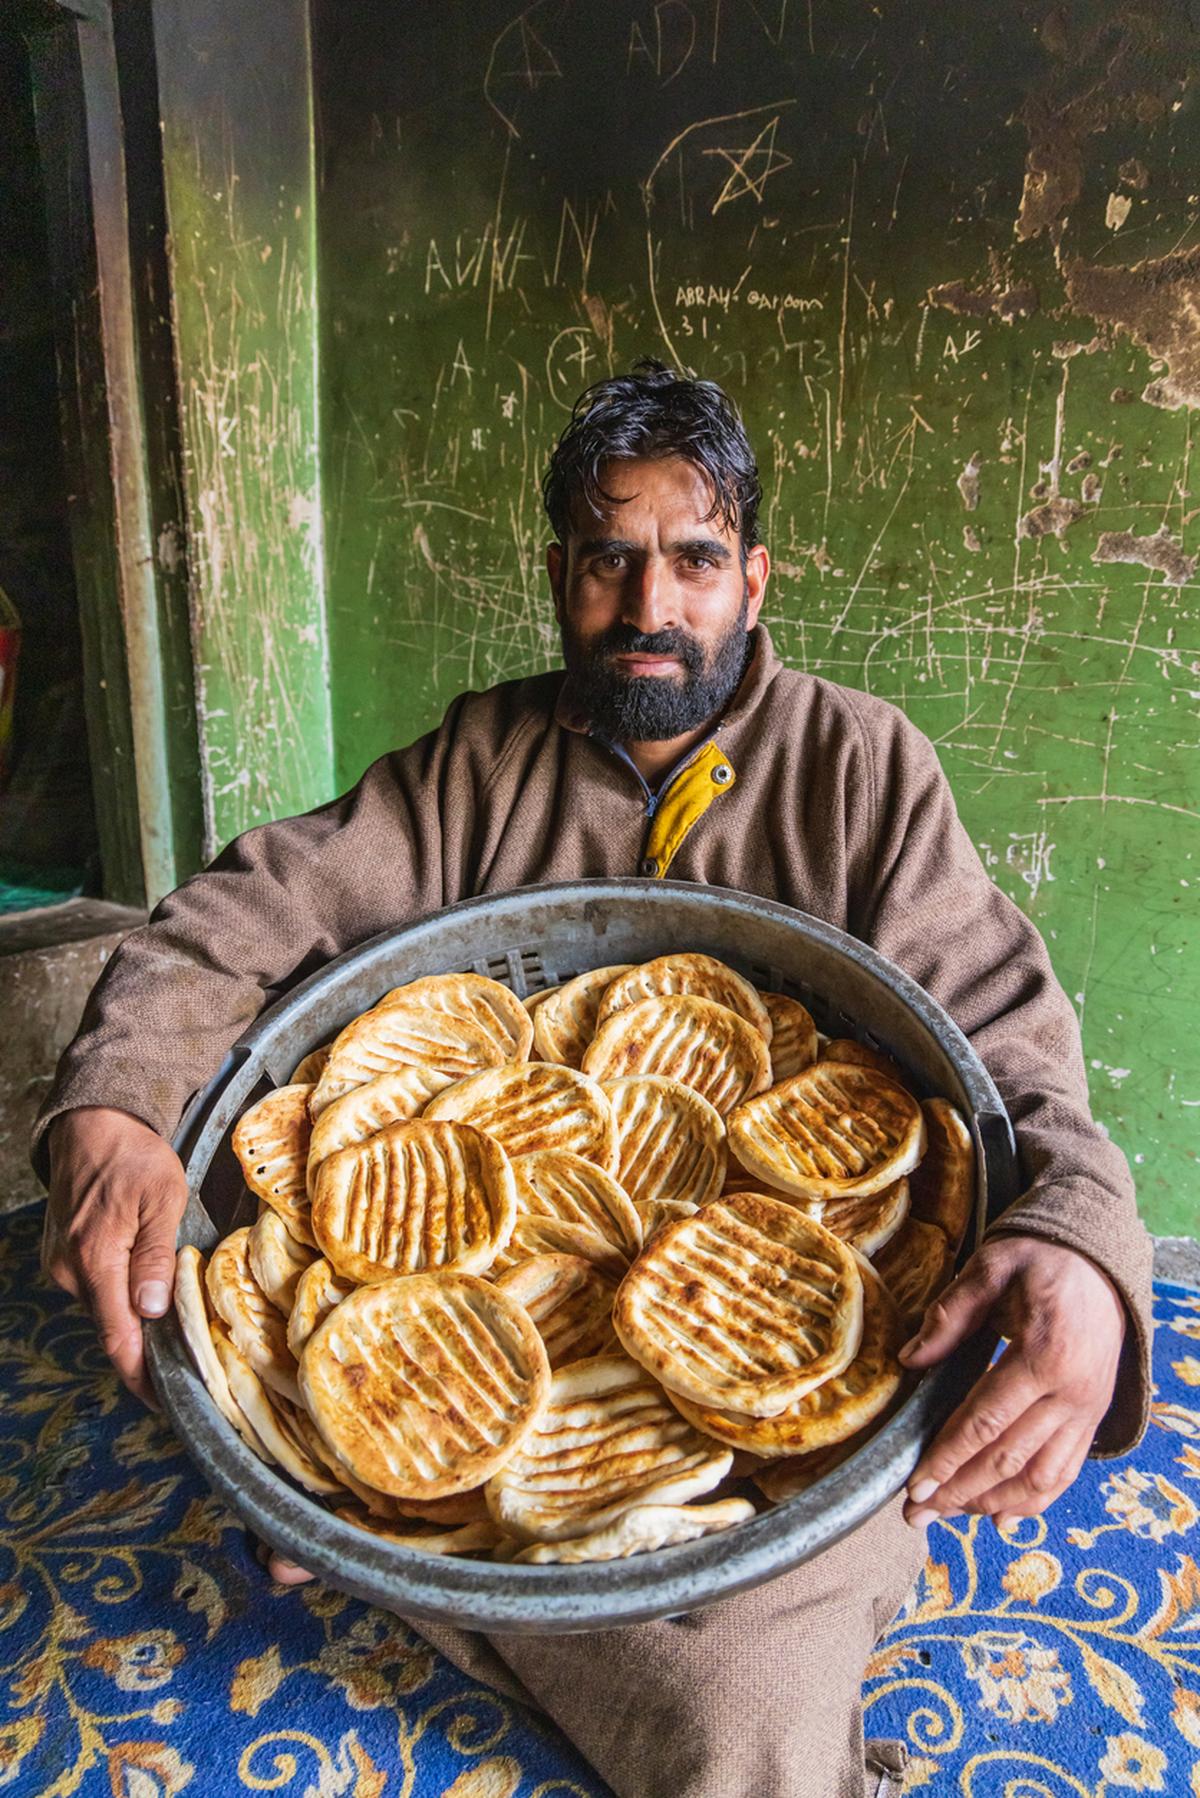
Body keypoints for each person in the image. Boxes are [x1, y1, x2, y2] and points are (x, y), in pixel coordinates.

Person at [37, 360, 1150, 1798]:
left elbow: (1013, 1038)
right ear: (558, 573)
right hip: (493, 1316)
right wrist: (114, 1104)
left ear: (754, 575)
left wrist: (1080, 1244)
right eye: (608, 561)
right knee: (311, 1439)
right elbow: (241, 914)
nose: (649, 606)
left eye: (692, 559)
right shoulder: (477, 762)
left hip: (797, 1385)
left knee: (734, 1704)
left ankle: (440, 1566)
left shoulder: (862, 769)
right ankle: (416, 1529)